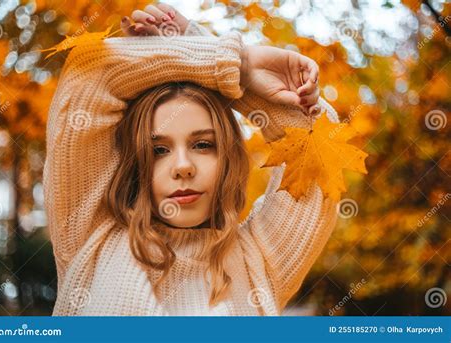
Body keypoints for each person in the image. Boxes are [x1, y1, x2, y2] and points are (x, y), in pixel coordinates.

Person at [43, 3, 339, 316]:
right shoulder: (89, 234)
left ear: (227, 156)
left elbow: (318, 143)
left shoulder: (260, 260)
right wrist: (230, 62)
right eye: (159, 150)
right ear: (137, 163)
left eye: (202, 144)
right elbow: (90, 72)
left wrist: (237, 71)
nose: (183, 167)